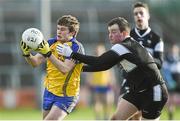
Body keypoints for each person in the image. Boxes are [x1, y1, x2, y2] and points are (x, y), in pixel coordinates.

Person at [57, 17, 168, 120]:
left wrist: (72, 54)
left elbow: (99, 61)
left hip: (154, 90)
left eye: (114, 32)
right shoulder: (128, 46)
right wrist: (77, 69)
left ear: (124, 33)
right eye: (109, 32)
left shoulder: (123, 46)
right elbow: (103, 66)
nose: (110, 35)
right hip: (138, 91)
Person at [20, 15, 85, 120]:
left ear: (72, 33)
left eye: (63, 29)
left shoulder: (76, 47)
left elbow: (64, 69)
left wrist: (48, 54)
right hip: (49, 91)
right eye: (58, 28)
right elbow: (35, 62)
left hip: (66, 95)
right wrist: (27, 54)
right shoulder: (51, 43)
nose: (59, 32)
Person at [123, 2, 164, 119]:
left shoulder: (156, 39)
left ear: (148, 15)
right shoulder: (128, 37)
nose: (139, 16)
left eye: (141, 13)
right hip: (131, 83)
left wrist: (144, 57)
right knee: (130, 117)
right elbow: (121, 60)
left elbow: (160, 63)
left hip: (151, 84)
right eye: (136, 14)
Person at [87, 44, 116, 120]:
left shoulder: (106, 60)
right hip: (97, 84)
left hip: (106, 83)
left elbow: (110, 71)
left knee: (109, 102)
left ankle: (106, 116)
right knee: (98, 102)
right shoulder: (93, 61)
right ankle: (98, 118)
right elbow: (90, 73)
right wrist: (89, 81)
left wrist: (112, 81)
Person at [162, 44, 180, 120]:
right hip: (171, 81)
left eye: (175, 49)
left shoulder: (178, 59)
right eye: (173, 49)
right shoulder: (167, 59)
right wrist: (169, 81)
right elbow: (165, 71)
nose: (174, 51)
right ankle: (170, 116)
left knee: (175, 98)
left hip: (178, 80)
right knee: (171, 99)